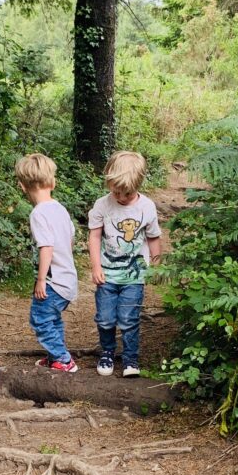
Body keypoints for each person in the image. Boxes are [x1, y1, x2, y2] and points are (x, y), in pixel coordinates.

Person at [88, 151, 162, 377]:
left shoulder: (146, 207)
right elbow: (94, 236)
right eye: (115, 191)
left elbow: (153, 237)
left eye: (126, 193)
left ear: (137, 185)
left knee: (129, 319)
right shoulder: (102, 205)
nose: (120, 196)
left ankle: (130, 358)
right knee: (106, 318)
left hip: (134, 275)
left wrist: (157, 264)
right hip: (107, 274)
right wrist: (96, 266)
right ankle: (108, 352)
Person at [15, 153, 79, 372]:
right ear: (52, 182)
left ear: (22, 186)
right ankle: (56, 356)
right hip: (68, 279)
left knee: (40, 319)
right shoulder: (59, 208)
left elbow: (46, 247)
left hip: (54, 282)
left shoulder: (39, 213)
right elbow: (69, 240)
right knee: (53, 319)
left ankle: (63, 359)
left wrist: (41, 279)